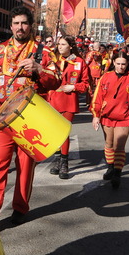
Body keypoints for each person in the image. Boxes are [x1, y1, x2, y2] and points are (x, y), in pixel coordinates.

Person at [0, 6, 59, 224]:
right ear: (10, 26)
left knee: (25, 166)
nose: (20, 27)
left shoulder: (42, 51)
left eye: (24, 23)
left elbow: (57, 80)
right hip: (2, 118)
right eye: (16, 23)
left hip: (29, 119)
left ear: (31, 25)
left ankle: (20, 207)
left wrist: (38, 68)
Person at [91, 51, 129, 189]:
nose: (121, 67)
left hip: (124, 117)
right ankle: (110, 167)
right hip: (107, 116)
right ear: (113, 63)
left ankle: (117, 173)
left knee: (119, 146)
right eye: (118, 63)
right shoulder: (106, 77)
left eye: (123, 64)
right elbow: (98, 97)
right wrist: (96, 115)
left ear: (127, 64)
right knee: (109, 144)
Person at [46, 36, 90, 179]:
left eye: (63, 44)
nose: (60, 46)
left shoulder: (79, 62)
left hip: (68, 100)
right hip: (53, 99)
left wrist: (74, 87)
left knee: (63, 131)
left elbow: (86, 84)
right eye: (59, 44)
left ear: (71, 46)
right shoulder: (53, 60)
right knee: (54, 131)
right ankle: (58, 160)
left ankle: (64, 162)